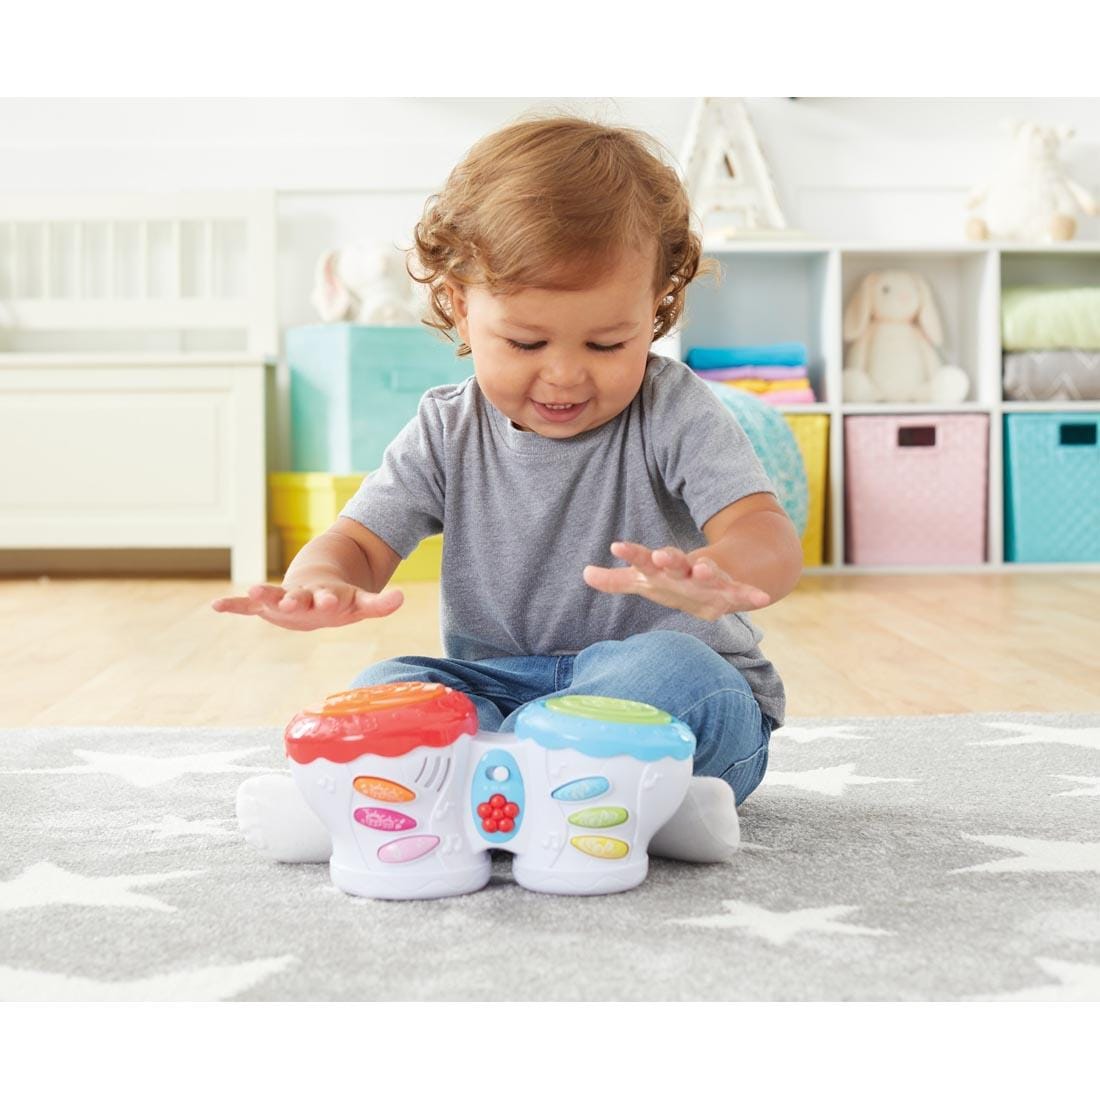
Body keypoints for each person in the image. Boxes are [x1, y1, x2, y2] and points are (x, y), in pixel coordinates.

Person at [215, 113, 804, 865]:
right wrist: (322, 584)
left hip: (652, 692)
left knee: (671, 671)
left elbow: (765, 532)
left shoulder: (674, 409)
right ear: (460, 305)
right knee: (386, 684)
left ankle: (407, 802)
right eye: (526, 342)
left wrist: (727, 575)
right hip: (501, 691)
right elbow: (359, 542)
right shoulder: (445, 429)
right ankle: (620, 807)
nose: (564, 373)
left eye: (607, 343)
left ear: (655, 307)